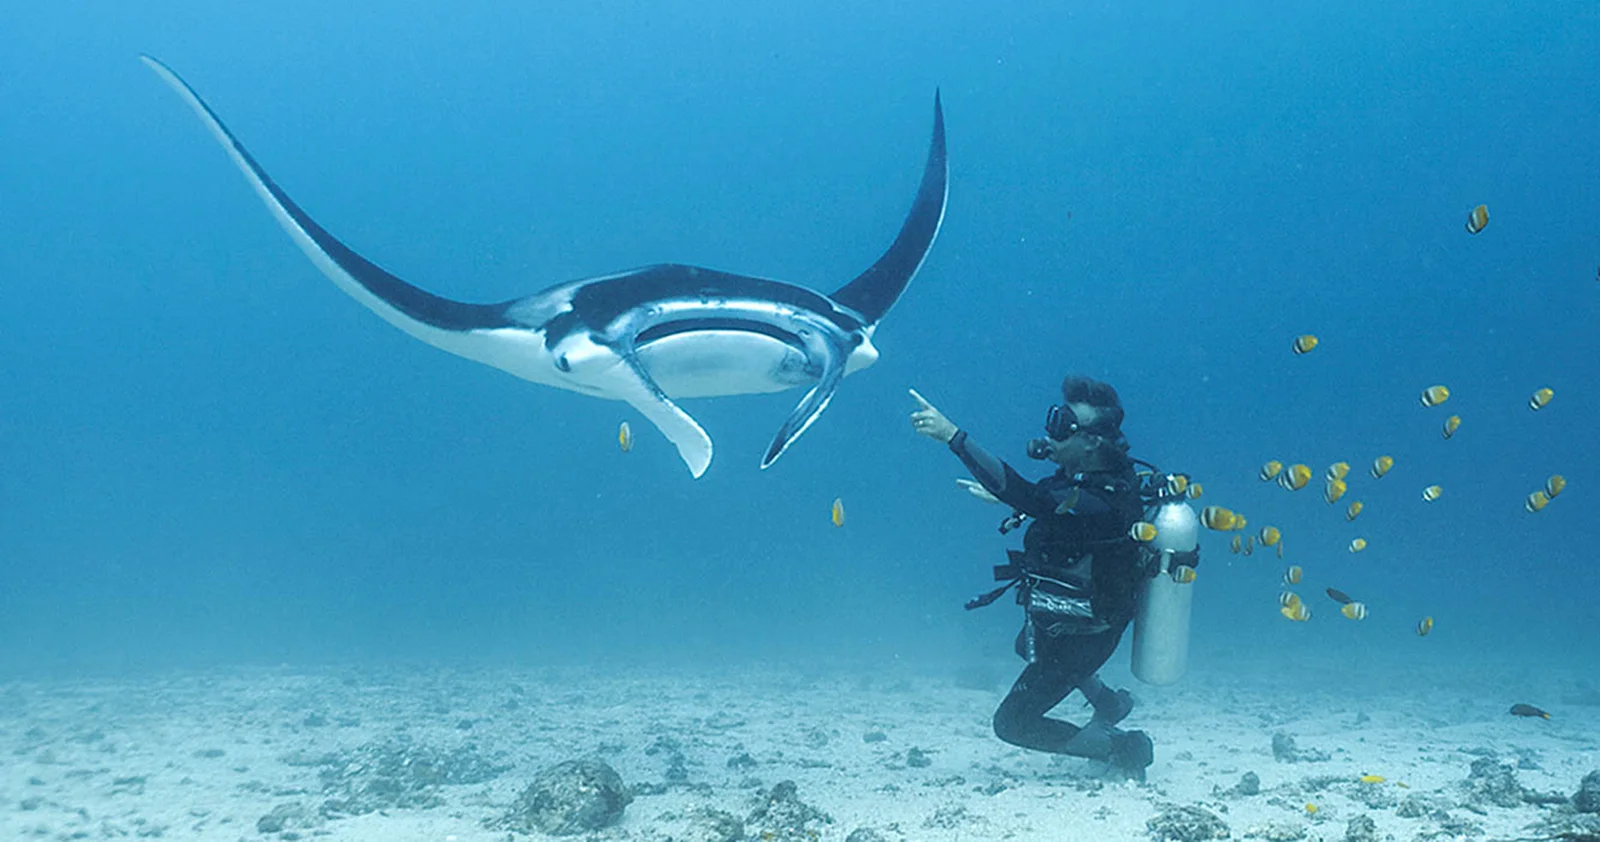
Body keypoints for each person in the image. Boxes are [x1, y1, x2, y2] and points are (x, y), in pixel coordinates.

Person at [910, 376, 1156, 778]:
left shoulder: (1107, 497)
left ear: (1092, 441)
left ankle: (1124, 749)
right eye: (1054, 419)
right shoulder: (1083, 476)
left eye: (1063, 425)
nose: (1050, 434)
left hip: (1087, 635)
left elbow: (1037, 497)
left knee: (1012, 723)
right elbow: (1048, 504)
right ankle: (1109, 703)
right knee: (1026, 647)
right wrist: (1014, 500)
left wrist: (955, 438)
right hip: (1065, 621)